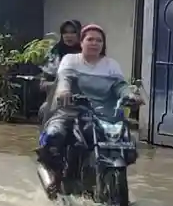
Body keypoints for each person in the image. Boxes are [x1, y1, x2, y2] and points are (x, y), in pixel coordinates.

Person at [36, 24, 141, 187]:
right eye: (90, 39)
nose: (94, 43)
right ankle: (56, 175)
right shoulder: (70, 60)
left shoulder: (111, 65)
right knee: (54, 136)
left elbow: (120, 86)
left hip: (105, 115)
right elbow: (65, 79)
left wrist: (130, 95)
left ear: (103, 44)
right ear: (81, 42)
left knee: (128, 144)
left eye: (99, 40)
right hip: (71, 110)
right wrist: (64, 91)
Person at [37, 20, 81, 123]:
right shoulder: (55, 53)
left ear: (79, 34)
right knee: (44, 111)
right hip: (57, 101)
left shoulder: (87, 54)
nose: (68, 36)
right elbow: (42, 84)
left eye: (73, 32)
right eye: (65, 32)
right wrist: (62, 88)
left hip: (83, 102)